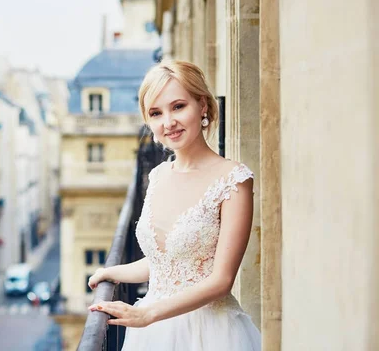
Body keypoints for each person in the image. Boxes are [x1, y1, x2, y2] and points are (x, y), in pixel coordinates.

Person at [87, 60, 261, 350]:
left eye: (178, 106)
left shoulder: (234, 180)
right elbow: (165, 263)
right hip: (153, 334)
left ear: (202, 105)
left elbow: (222, 280)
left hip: (209, 333)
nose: (168, 122)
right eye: (156, 113)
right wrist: (111, 272)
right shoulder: (157, 175)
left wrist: (147, 314)